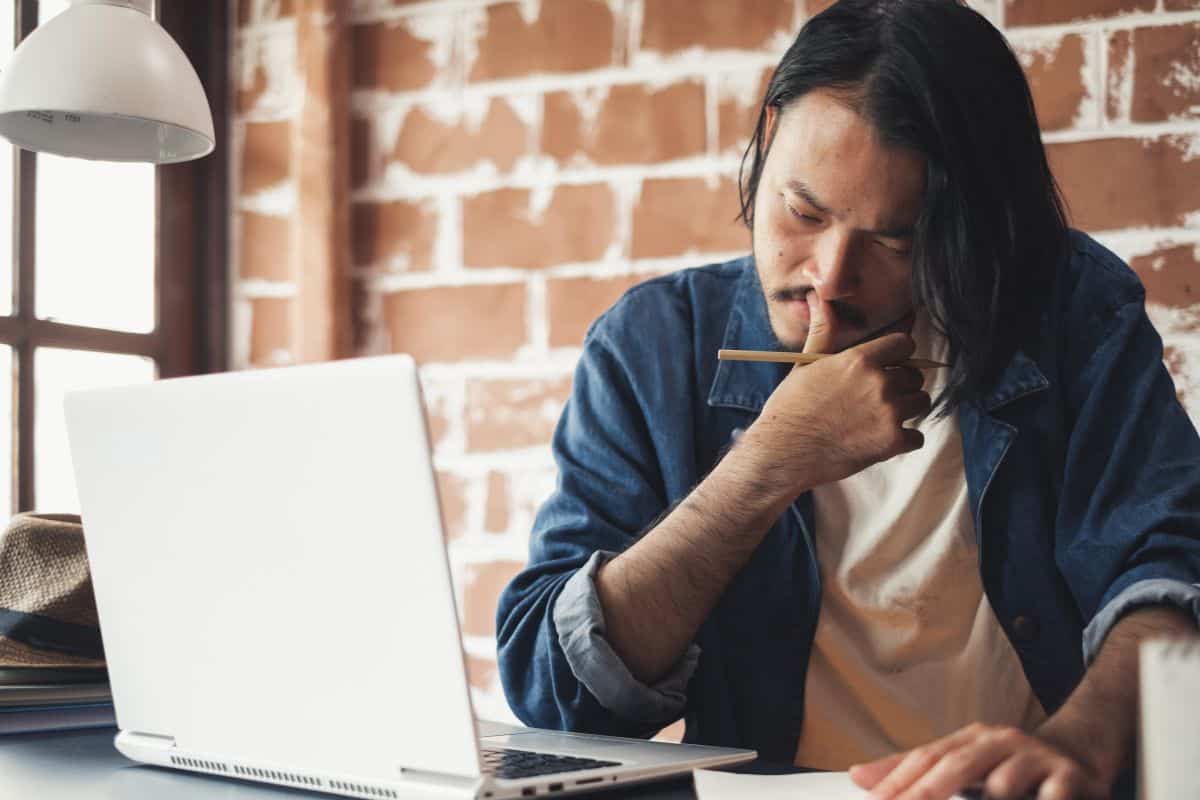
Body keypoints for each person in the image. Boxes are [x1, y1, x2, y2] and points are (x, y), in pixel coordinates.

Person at [494, 1, 1200, 798]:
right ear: (764, 140)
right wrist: (768, 462)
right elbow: (554, 692)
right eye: (804, 212)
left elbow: (1168, 572)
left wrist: (1080, 744)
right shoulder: (652, 346)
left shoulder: (1068, 312)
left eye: (895, 238)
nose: (828, 275)